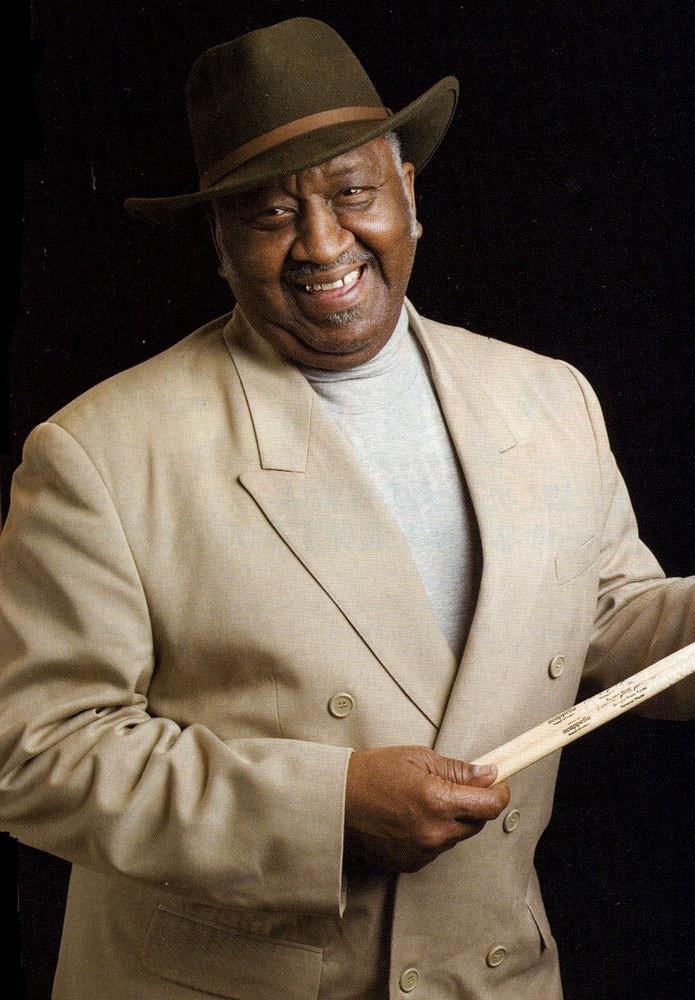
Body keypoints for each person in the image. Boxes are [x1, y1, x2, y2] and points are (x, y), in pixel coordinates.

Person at [0, 16, 692, 1000]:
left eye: (350, 193)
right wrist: (321, 812)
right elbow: (36, 753)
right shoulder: (99, 453)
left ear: (407, 192)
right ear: (219, 237)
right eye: (269, 213)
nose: (321, 244)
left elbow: (603, 620)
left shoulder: (547, 397)